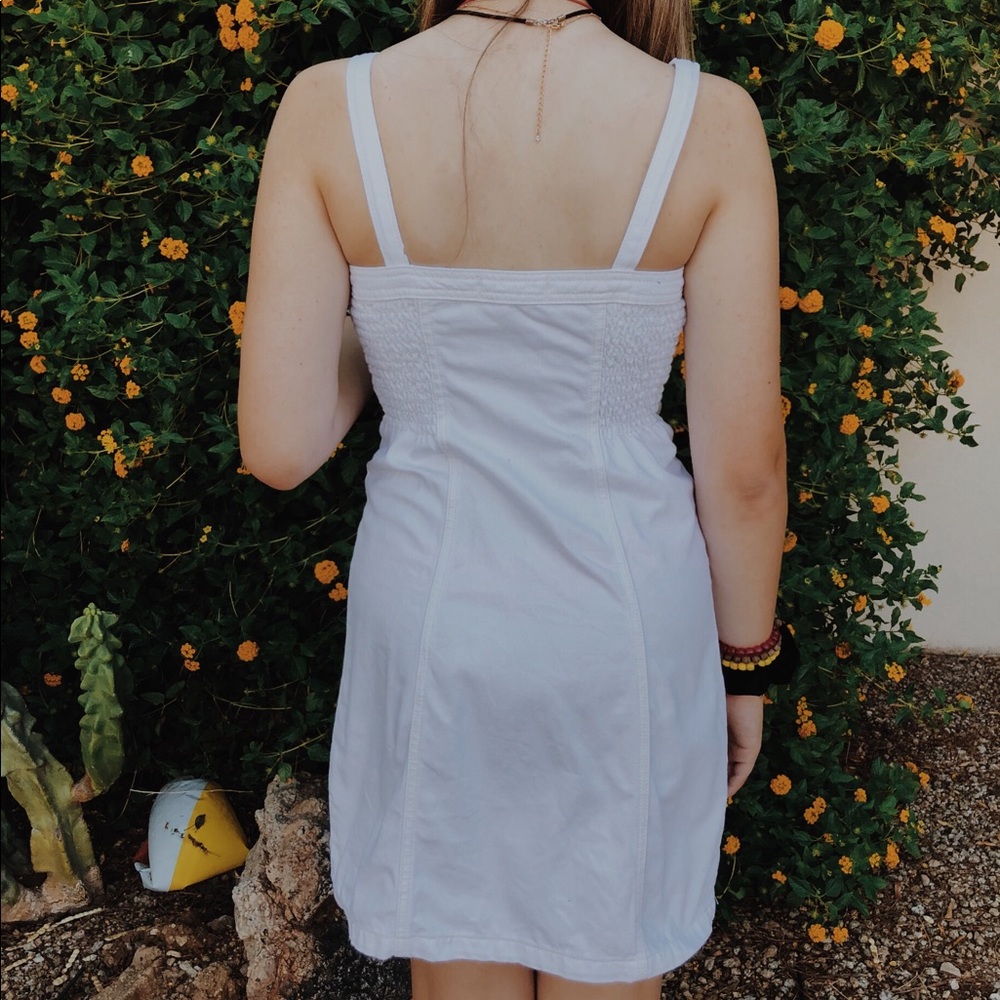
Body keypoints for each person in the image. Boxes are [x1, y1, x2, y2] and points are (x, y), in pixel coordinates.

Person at [237, 0, 788, 996]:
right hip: (621, 631)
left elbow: (279, 447)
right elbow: (743, 471)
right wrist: (746, 665)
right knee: (611, 949)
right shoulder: (706, 122)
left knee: (459, 942)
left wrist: (399, 329)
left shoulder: (330, 109)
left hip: (436, 629)